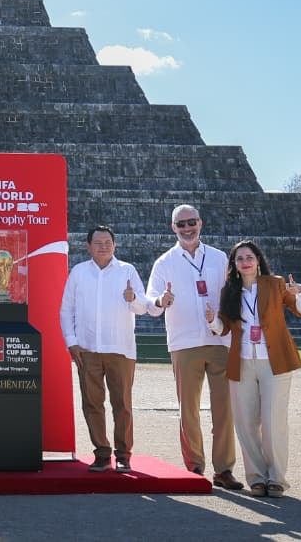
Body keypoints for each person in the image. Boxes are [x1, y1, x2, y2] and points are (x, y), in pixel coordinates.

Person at [147, 204, 245, 490]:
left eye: (191, 222)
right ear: (173, 228)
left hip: (219, 340)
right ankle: (195, 466)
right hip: (184, 342)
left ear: (200, 223)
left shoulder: (218, 258)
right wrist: (160, 302)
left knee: (224, 408)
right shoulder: (164, 262)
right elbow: (152, 301)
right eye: (181, 224)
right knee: (188, 408)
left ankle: (224, 469)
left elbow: (235, 294)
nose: (187, 228)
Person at [206, 240, 301, 498]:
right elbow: (226, 328)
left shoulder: (275, 284)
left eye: (249, 256)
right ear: (234, 264)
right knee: (245, 423)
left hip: (273, 361)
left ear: (257, 259)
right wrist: (213, 322)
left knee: (273, 420)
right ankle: (256, 478)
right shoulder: (229, 291)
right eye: (239, 258)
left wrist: (300, 292)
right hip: (242, 361)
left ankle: (276, 478)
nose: (245, 261)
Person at [59, 225, 153, 473]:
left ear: (115, 245)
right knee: (92, 403)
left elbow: (143, 307)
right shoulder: (79, 272)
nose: (103, 246)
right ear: (88, 246)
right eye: (98, 242)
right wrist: (71, 341)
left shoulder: (127, 271)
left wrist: (133, 298)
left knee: (122, 405)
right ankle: (101, 453)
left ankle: (123, 454)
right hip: (87, 349)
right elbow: (66, 309)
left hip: (120, 348)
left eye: (107, 241)